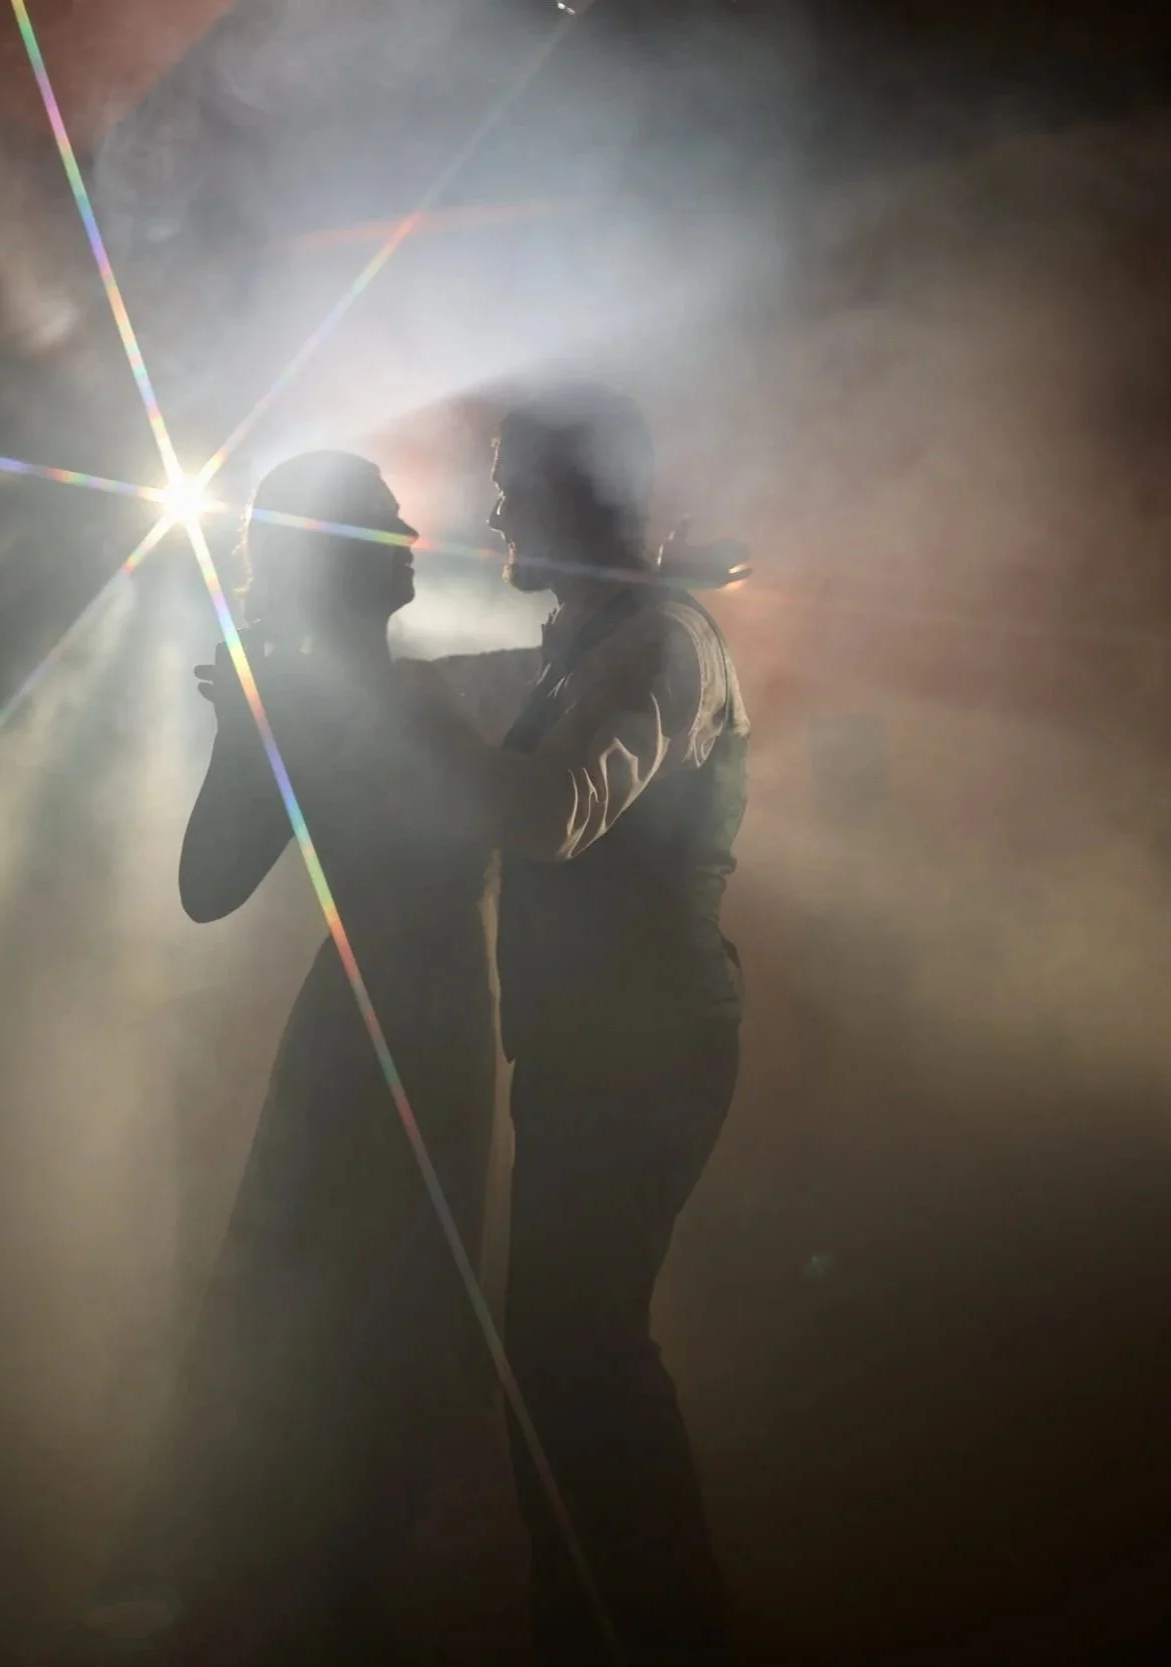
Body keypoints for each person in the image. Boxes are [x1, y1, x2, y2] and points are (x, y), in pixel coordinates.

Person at [105, 451, 500, 1665]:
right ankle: (327, 1600)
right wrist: (243, 730)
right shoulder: (304, 694)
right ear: (328, 553)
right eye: (382, 522)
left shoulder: (413, 683)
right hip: (370, 1041)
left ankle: (353, 1588)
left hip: (426, 1033)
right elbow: (206, 885)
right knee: (352, 1325)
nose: (412, 537)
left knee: (392, 1321)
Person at [436, 383, 751, 1667]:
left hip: (644, 1049)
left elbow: (555, 806)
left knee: (577, 1360)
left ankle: (647, 1631)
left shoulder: (659, 640)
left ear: (580, 488)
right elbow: (471, 693)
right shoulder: (599, 633)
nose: (495, 502)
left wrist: (378, 708)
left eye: (516, 477)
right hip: (598, 1049)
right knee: (572, 1360)